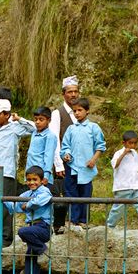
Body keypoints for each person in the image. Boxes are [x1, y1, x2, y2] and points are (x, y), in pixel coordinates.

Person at [0, 99, 35, 246]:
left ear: (7, 114)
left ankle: (5, 238)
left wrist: (20, 119)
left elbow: (34, 128)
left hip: (7, 172)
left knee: (5, 205)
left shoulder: (15, 127)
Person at [6, 166, 53, 274]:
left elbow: (43, 200)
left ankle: (43, 251)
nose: (31, 182)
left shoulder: (44, 190)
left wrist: (29, 204)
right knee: (30, 266)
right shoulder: (28, 193)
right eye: (29, 179)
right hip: (32, 232)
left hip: (42, 227)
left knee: (22, 231)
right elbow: (15, 206)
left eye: (35, 179)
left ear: (42, 180)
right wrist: (0, 198)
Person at [60, 98, 106, 230]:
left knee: (85, 194)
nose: (77, 113)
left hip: (86, 167)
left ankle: (83, 220)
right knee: (71, 193)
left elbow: (100, 146)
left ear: (87, 111)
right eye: (74, 111)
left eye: (80, 110)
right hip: (72, 167)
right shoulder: (71, 129)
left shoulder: (93, 127)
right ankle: (73, 220)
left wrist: (93, 159)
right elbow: (65, 146)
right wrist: (66, 154)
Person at [49, 75, 80, 234]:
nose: (73, 95)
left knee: (81, 191)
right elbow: (55, 139)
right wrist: (58, 163)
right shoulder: (57, 114)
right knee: (62, 193)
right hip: (63, 161)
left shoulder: (80, 113)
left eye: (75, 92)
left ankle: (77, 222)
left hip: (79, 162)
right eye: (70, 92)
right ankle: (59, 225)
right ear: (64, 94)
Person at [106, 131, 138, 229]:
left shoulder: (135, 154)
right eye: (130, 143)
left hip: (136, 185)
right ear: (124, 143)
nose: (133, 145)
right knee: (118, 209)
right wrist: (123, 154)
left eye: (135, 143)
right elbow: (115, 165)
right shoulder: (118, 153)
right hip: (123, 187)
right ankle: (109, 227)